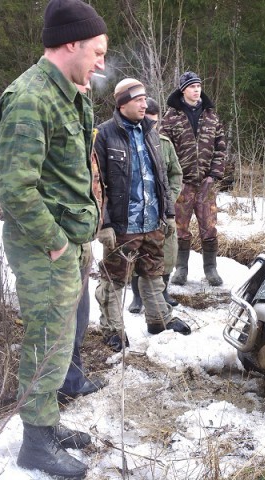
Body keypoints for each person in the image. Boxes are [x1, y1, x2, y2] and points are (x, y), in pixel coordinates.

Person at [0, 0, 107, 477]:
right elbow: (12, 186)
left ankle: (48, 423)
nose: (101, 62)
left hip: (69, 242)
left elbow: (71, 172)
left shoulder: (73, 92)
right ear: (70, 44)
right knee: (46, 342)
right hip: (44, 247)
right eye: (97, 51)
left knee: (61, 341)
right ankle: (35, 446)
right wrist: (56, 240)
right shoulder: (30, 97)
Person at [94, 78, 191, 352]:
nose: (144, 103)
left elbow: (161, 177)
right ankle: (112, 329)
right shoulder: (104, 135)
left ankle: (159, 320)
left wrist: (168, 213)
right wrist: (104, 223)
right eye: (137, 99)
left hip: (152, 221)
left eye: (145, 98)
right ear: (122, 103)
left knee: (153, 272)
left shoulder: (151, 133)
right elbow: (95, 183)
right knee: (114, 279)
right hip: (122, 225)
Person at [58, 81, 105, 405]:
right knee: (62, 318)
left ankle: (73, 378)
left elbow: (94, 183)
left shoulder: (85, 134)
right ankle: (58, 386)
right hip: (60, 241)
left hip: (83, 238)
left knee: (81, 314)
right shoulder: (50, 122)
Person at [161, 71, 226, 286]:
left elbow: (220, 148)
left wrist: (214, 175)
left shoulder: (211, 116)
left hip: (206, 184)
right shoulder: (170, 118)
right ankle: (181, 269)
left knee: (209, 227)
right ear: (183, 90)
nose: (196, 90)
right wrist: (172, 179)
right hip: (182, 185)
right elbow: (163, 151)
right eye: (191, 86)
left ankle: (211, 269)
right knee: (180, 228)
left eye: (198, 86)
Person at [128, 97, 182, 313]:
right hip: (137, 210)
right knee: (136, 252)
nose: (152, 126)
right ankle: (137, 296)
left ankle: (163, 291)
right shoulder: (129, 142)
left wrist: (170, 198)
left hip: (163, 210)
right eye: (147, 121)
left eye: (155, 122)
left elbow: (176, 174)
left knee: (168, 251)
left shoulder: (164, 144)